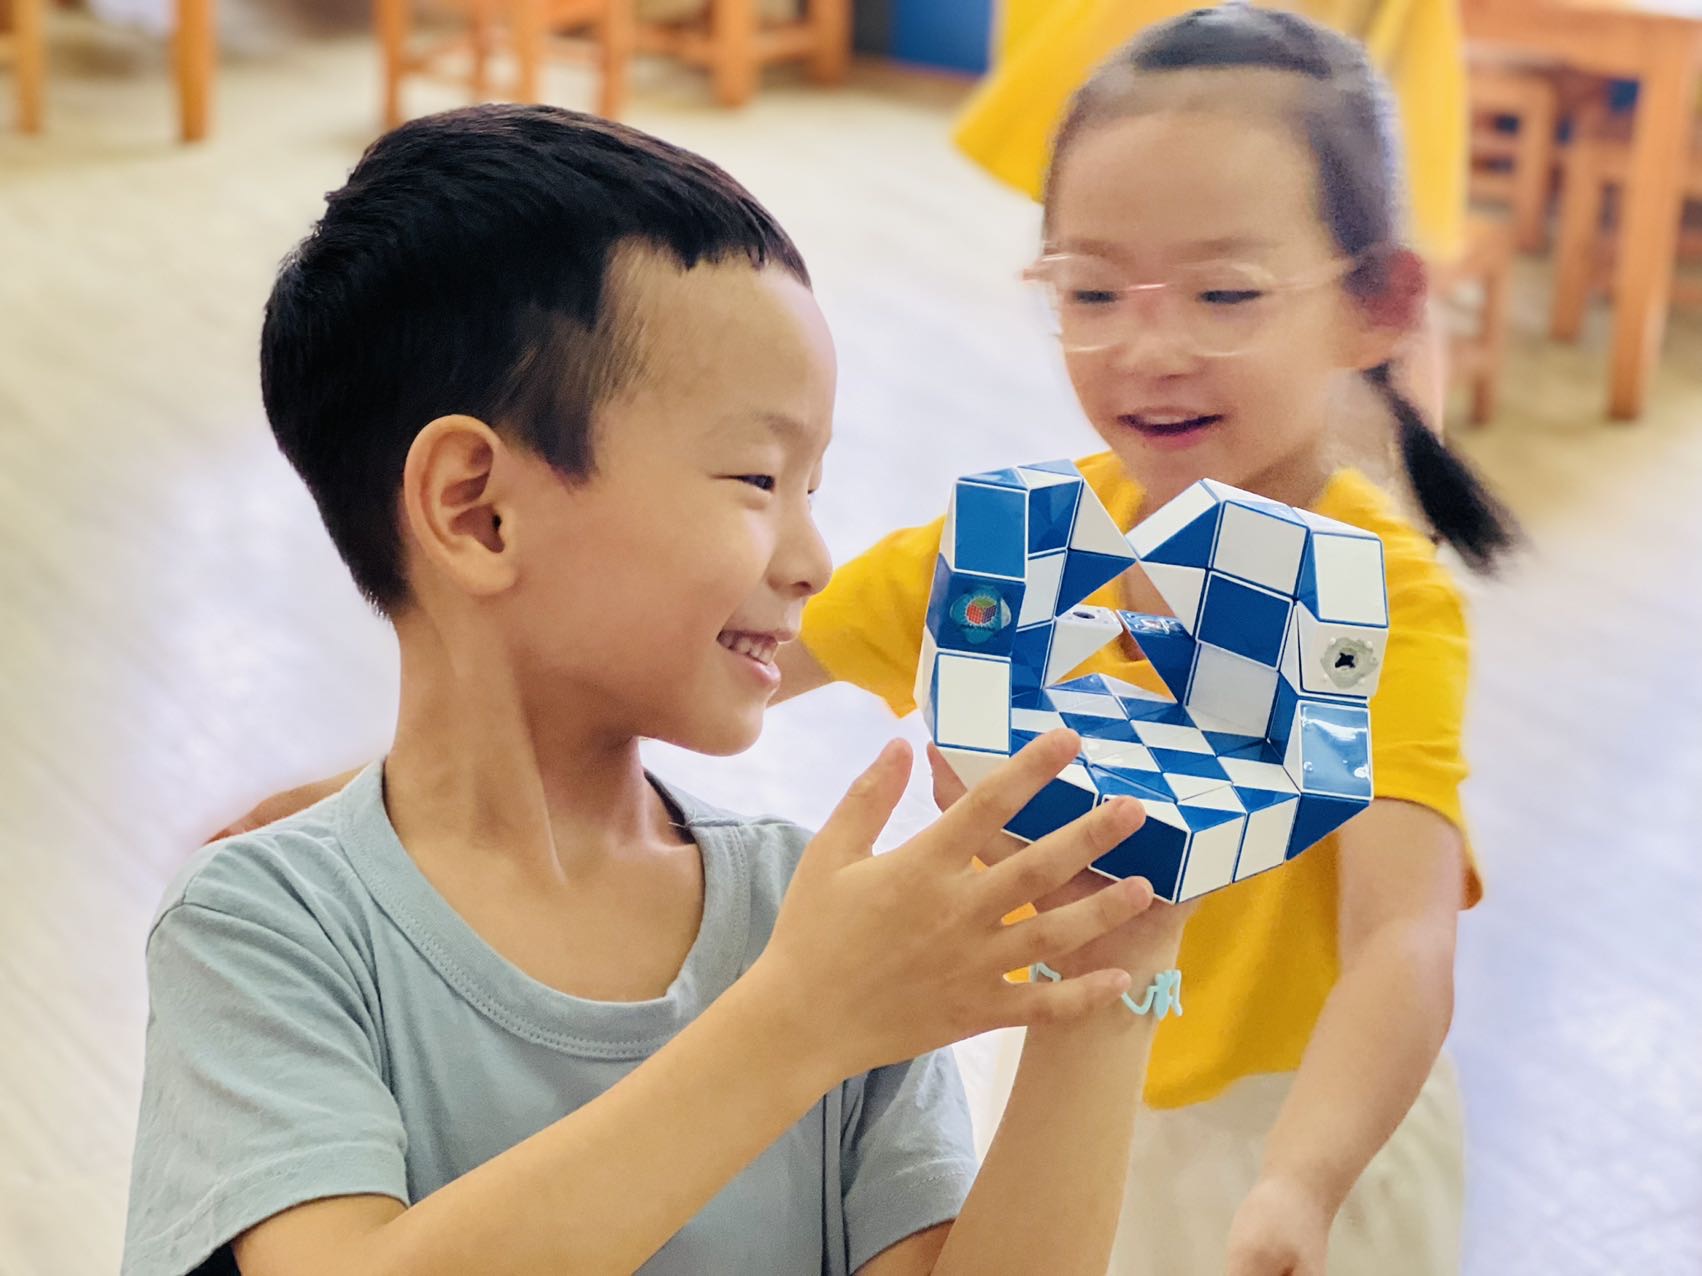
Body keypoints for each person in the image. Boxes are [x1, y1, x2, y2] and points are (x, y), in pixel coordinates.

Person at [120, 104, 1192, 1276]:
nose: (813, 559)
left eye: (813, 487)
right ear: (477, 509)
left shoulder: (812, 912)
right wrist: (801, 1021)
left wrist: (1112, 969)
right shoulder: (266, 925)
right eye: (758, 477)